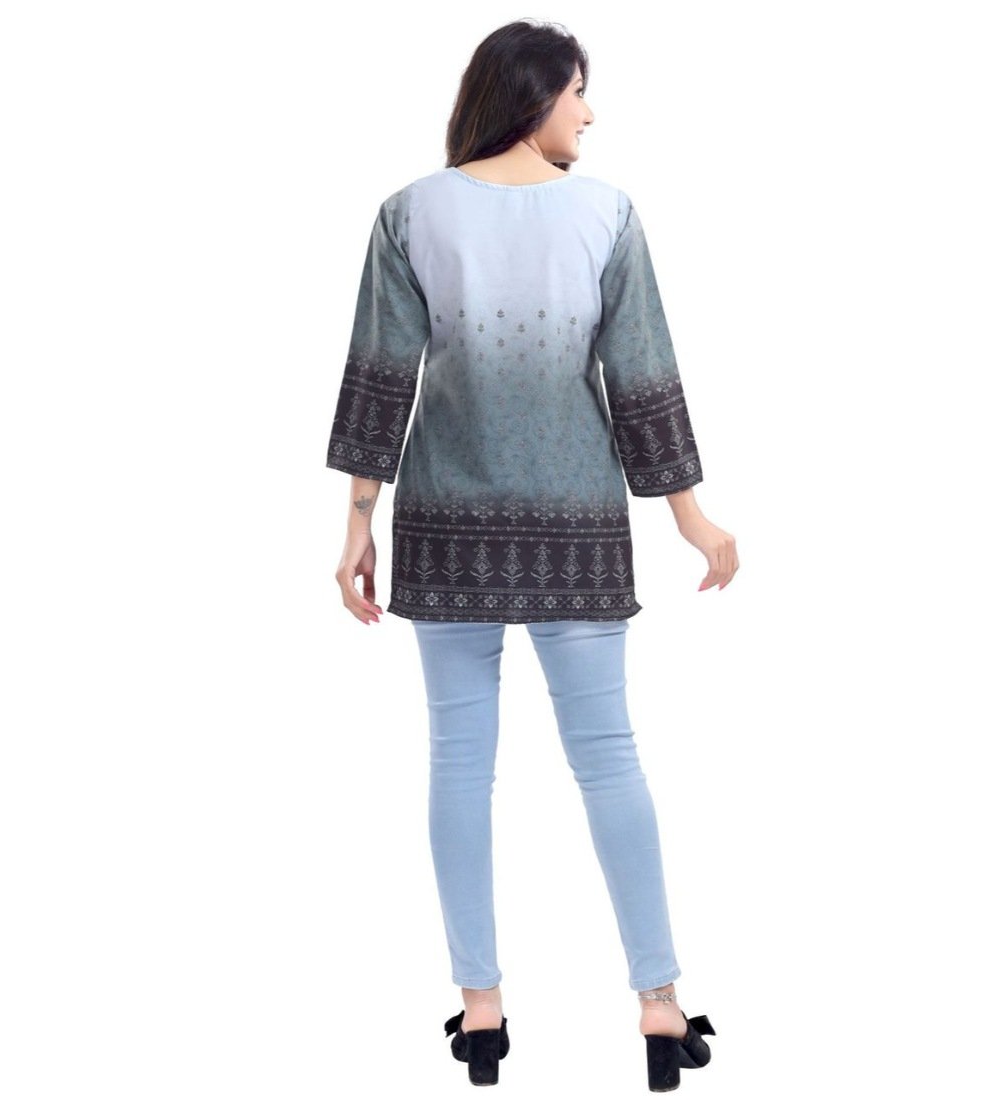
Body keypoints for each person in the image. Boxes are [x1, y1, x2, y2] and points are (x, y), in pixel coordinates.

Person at [326, 19, 738, 1091]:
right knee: (607, 755)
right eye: (578, 92)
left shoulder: (410, 212)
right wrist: (690, 516)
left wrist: (359, 520)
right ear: (533, 95)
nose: (589, 113)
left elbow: (381, 374)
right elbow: (641, 375)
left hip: (445, 522)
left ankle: (480, 1009)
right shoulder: (607, 215)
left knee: (459, 761)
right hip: (574, 524)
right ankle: (658, 1003)